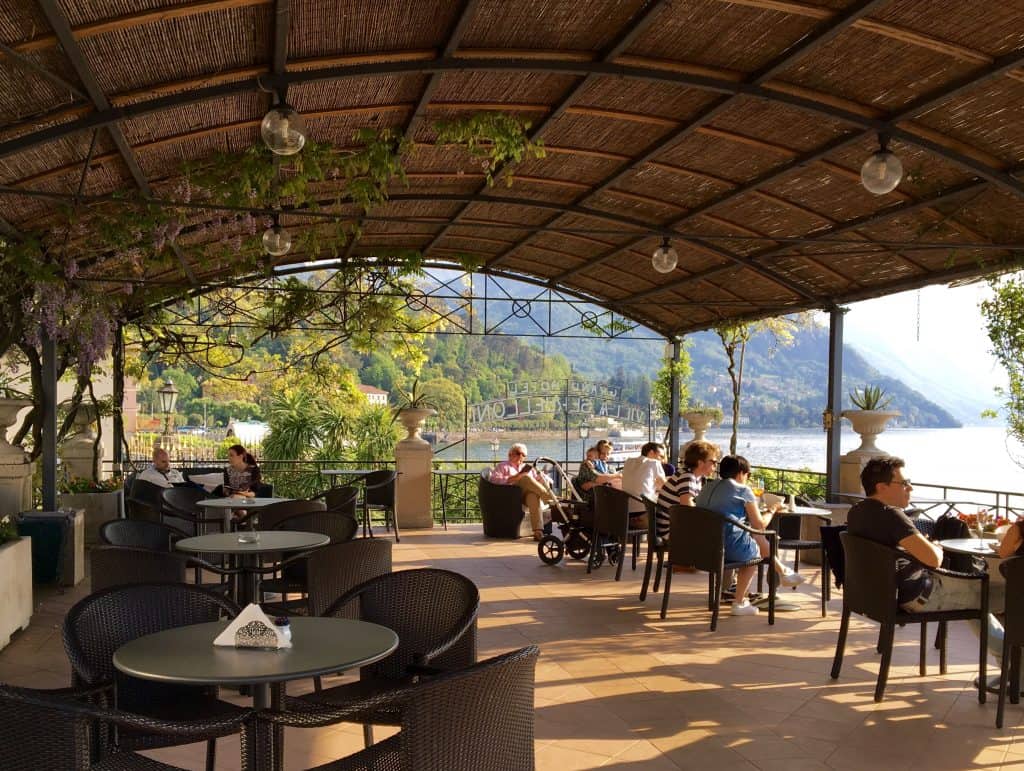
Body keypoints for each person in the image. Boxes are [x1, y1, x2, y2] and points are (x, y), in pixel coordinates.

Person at [847, 456, 978, 612]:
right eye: (904, 483)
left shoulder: (856, 512)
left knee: (979, 598)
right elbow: (934, 559)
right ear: (882, 487)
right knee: (993, 595)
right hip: (915, 597)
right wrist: (935, 547)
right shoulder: (892, 515)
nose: (910, 488)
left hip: (873, 595)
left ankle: (994, 635)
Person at [695, 454, 804, 616]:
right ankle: (739, 603)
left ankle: (784, 572)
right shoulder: (742, 490)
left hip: (702, 546)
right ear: (741, 473)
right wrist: (773, 509)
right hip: (725, 547)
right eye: (748, 475)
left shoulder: (707, 486)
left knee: (755, 538)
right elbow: (760, 525)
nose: (747, 478)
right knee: (754, 553)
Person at [490, 443, 564, 540]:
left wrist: (542, 476)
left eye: (523, 455)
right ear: (510, 454)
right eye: (518, 453)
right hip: (510, 495)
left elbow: (546, 480)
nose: (521, 456)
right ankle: (551, 498)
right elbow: (494, 480)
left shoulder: (527, 468)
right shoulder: (503, 466)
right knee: (525, 478)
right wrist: (515, 478)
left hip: (525, 496)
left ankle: (538, 532)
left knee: (533, 496)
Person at [656, 440, 720, 539]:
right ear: (700, 463)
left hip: (672, 524)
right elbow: (688, 509)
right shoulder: (687, 477)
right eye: (713, 462)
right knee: (716, 535)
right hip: (671, 530)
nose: (716, 466)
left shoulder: (693, 476)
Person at [621, 442, 667, 524]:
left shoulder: (628, 461)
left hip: (625, 511)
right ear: (651, 453)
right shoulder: (654, 463)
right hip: (643, 512)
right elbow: (665, 487)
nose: (662, 460)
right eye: (661, 456)